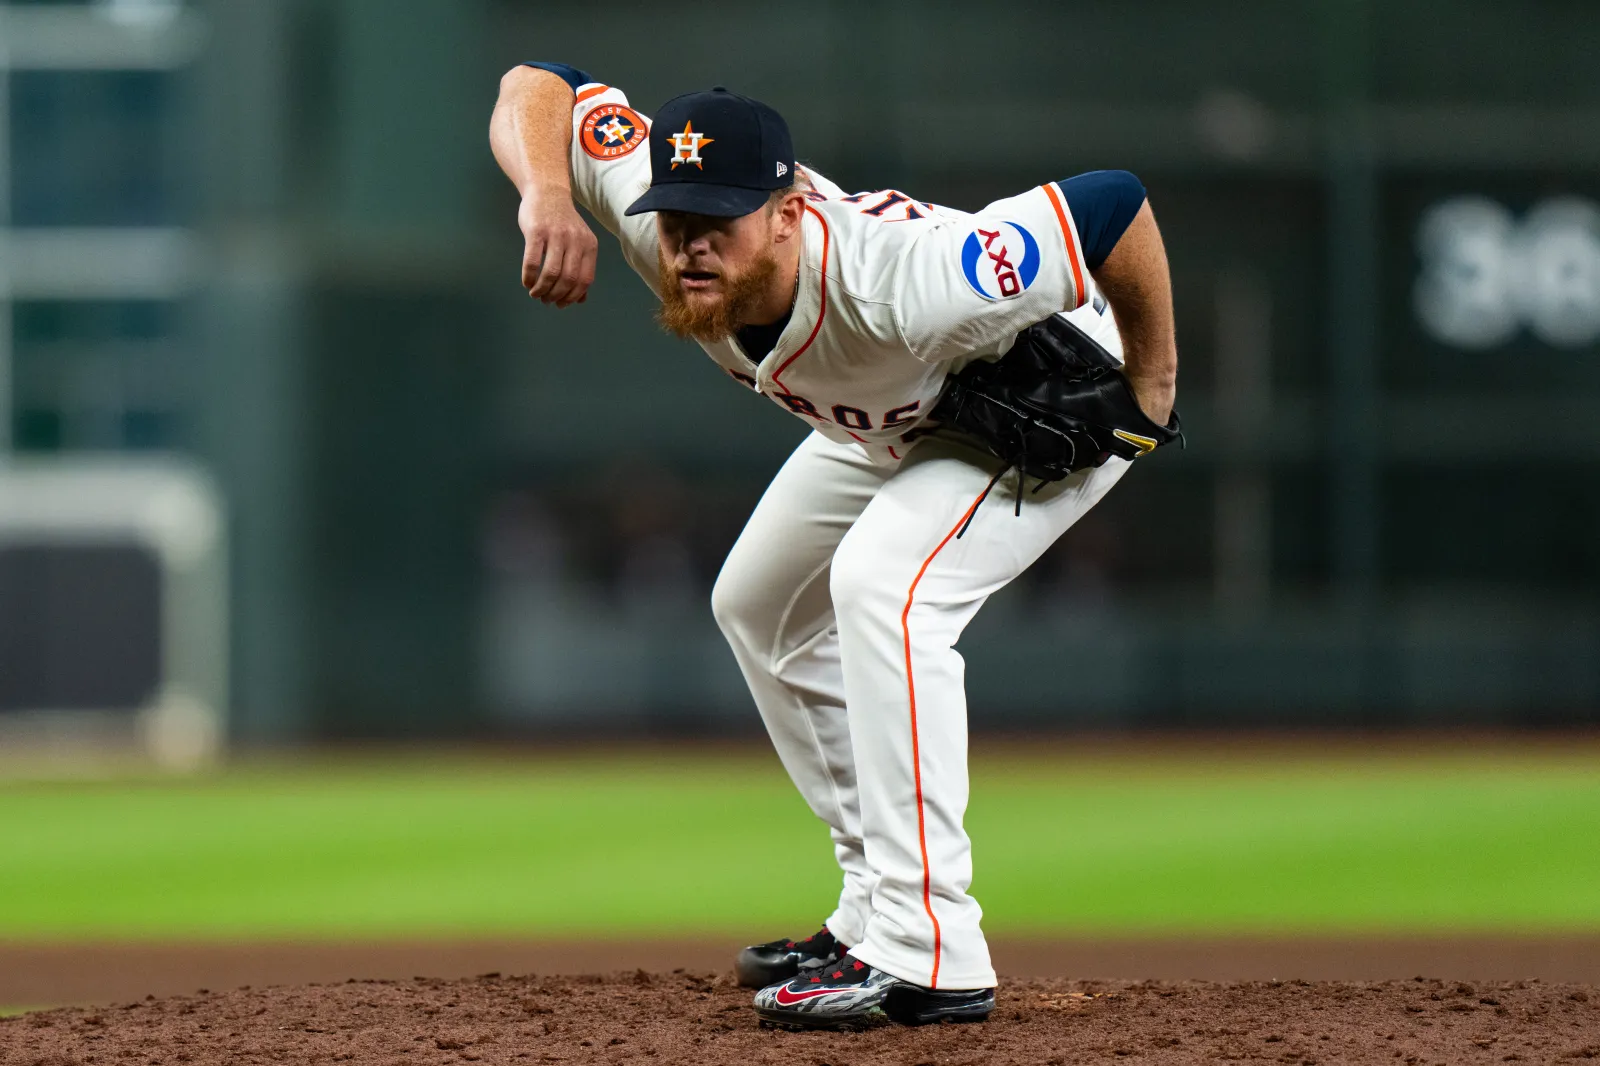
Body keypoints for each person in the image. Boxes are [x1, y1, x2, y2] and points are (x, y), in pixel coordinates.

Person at [489, 62, 1180, 1030]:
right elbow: (541, 83)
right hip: (889, 412)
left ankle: (930, 950)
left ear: (787, 211)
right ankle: (873, 910)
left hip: (1046, 399)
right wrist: (546, 197)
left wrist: (1152, 383)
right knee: (756, 605)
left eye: (716, 223)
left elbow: (1112, 204)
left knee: (884, 586)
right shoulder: (659, 221)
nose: (687, 245)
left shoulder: (913, 283)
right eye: (677, 218)